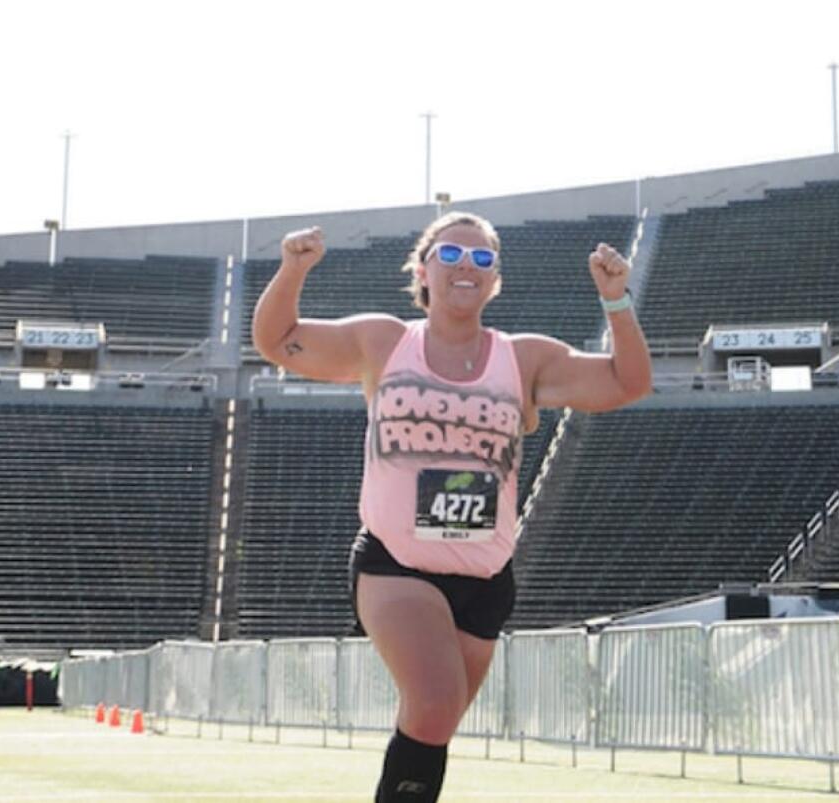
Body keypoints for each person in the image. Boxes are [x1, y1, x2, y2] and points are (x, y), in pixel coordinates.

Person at [253, 212, 652, 802]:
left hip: (486, 576)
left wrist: (616, 303)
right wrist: (293, 268)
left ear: (495, 281)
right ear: (423, 269)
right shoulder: (384, 341)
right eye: (451, 255)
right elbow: (277, 339)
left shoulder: (524, 360)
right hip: (397, 564)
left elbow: (627, 383)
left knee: (431, 725)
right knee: (436, 705)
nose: (467, 266)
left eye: (483, 259)